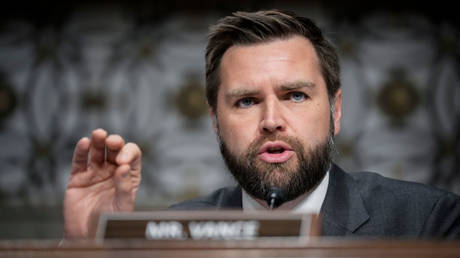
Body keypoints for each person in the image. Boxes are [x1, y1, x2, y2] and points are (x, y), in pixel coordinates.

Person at [63, 10, 460, 239]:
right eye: (247, 101)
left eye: (295, 96)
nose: (271, 121)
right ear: (216, 122)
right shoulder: (180, 234)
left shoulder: (428, 221)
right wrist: (87, 246)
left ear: (336, 111)